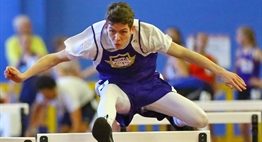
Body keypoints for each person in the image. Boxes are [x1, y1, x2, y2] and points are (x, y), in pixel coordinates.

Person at [4, 2, 246, 142]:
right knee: (108, 92)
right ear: (106, 26)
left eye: (122, 32)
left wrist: (220, 71)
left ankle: (175, 118)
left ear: (132, 28)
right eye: (112, 31)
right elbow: (54, 58)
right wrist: (25, 75)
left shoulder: (147, 33)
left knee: (200, 120)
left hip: (150, 86)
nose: (116, 38)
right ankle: (104, 126)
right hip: (118, 89)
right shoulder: (94, 37)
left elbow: (184, 54)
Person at [26, 62, 96, 136]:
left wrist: (74, 135)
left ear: (53, 89)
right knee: (63, 130)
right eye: (44, 96)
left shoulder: (68, 92)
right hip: (69, 107)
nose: (46, 99)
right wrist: (31, 129)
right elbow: (36, 108)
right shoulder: (43, 95)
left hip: (86, 103)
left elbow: (77, 124)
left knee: (82, 129)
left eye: (47, 96)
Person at [234, 26, 261, 142]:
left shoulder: (255, 52)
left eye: (238, 36)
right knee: (241, 121)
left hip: (252, 89)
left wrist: (260, 82)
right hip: (241, 88)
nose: (236, 38)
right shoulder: (239, 52)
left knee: (251, 120)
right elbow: (236, 71)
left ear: (245, 37)